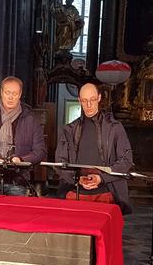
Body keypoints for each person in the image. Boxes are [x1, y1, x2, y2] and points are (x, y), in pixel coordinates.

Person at [55, 82, 134, 213]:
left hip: (106, 193)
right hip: (76, 192)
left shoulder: (114, 127)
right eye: (85, 101)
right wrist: (77, 179)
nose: (89, 105)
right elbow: (59, 162)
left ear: (99, 97)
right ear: (79, 100)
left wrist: (101, 178)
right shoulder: (70, 129)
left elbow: (126, 160)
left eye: (92, 99)